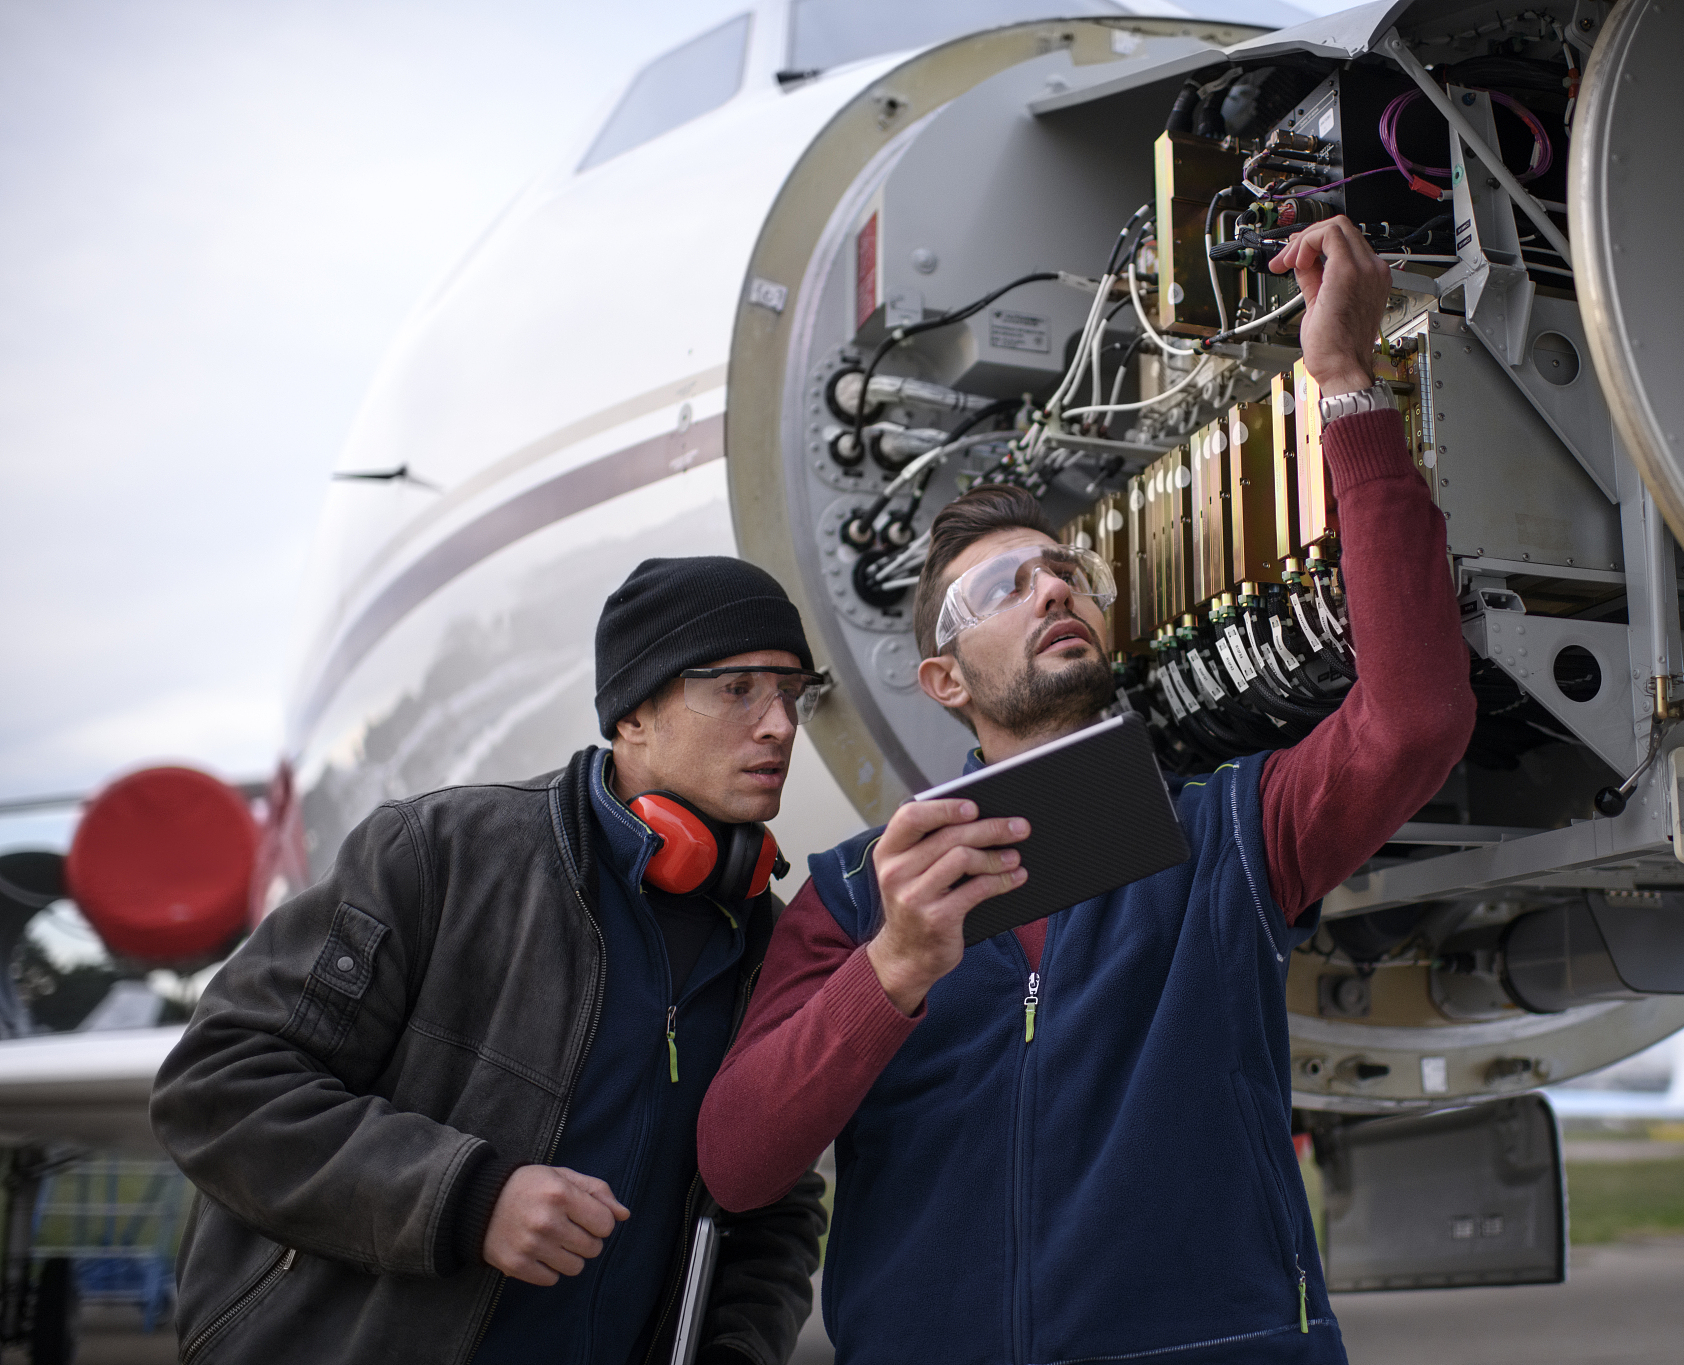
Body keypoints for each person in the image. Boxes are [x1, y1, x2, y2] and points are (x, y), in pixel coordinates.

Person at [696, 216, 1475, 1364]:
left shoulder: (1222, 836)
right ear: (943, 679)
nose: (1052, 588)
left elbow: (1414, 721)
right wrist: (894, 970)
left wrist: (1345, 387)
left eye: (1068, 571)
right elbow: (736, 1161)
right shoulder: (857, 898)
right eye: (1007, 585)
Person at [152, 557, 830, 1365]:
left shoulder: (770, 950)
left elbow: (770, 1207)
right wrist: (469, 1197)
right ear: (635, 713)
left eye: (795, 693)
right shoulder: (435, 856)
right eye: (739, 689)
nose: (780, 725)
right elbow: (217, 1083)